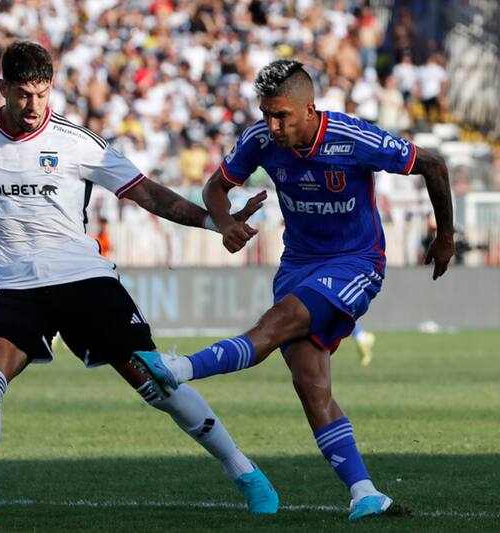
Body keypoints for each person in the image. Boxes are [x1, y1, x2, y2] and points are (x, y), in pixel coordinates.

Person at [0, 41, 276, 527]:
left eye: (43, 94)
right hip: (15, 286)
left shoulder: (76, 141)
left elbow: (149, 194)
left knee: (154, 380)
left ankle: (245, 471)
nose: (35, 106)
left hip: (83, 279)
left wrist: (217, 223)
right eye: (23, 95)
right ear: (2, 89)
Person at [133, 59, 454, 522]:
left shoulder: (351, 138)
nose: (272, 125)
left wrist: (445, 236)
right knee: (310, 383)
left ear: (310, 108)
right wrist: (225, 223)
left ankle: (179, 367)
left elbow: (433, 164)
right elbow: (215, 187)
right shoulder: (259, 141)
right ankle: (365, 493)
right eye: (266, 113)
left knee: (275, 324)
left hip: (355, 262)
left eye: (282, 115)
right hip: (298, 264)